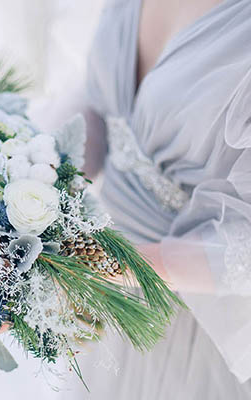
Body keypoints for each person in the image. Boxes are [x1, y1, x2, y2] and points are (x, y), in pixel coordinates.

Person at [64, 0, 251, 398]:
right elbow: (104, 108)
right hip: (103, 298)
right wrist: (30, 186)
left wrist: (124, 265)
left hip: (192, 326)